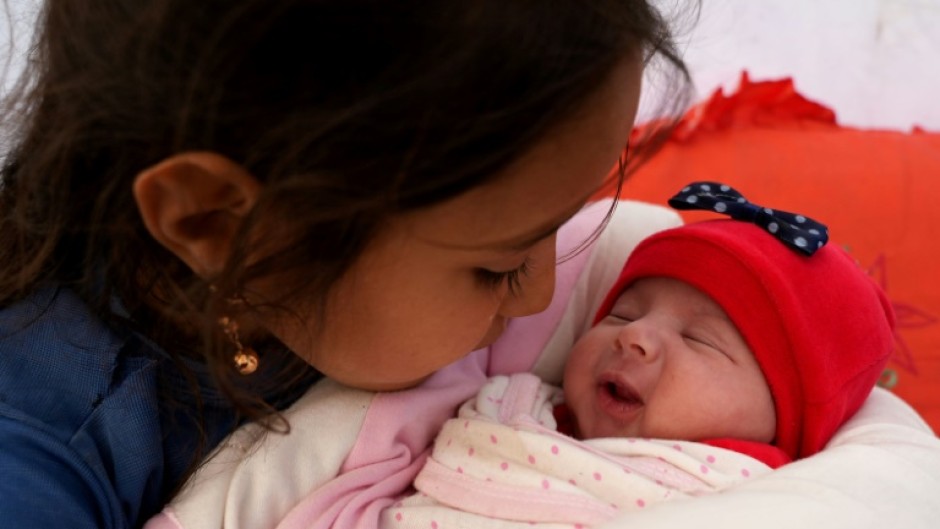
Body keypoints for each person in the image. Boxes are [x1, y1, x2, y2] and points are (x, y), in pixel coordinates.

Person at [2, 2, 939, 529]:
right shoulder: (42, 452)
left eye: (562, 226)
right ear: (224, 226)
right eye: (496, 268)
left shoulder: (358, 276)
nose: (549, 288)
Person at [381, 186, 895, 527]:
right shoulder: (520, 411)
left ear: (785, 416)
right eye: (623, 314)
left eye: (700, 339)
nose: (635, 338)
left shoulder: (760, 497)